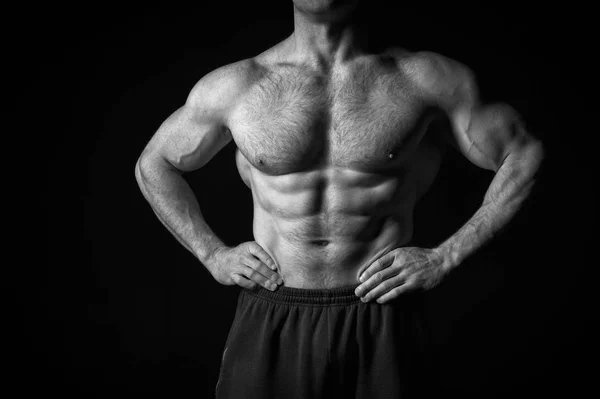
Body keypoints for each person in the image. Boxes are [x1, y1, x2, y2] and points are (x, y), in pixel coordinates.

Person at [134, 0, 545, 397]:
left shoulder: (423, 79)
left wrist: (445, 256)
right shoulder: (238, 86)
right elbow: (154, 163)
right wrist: (213, 255)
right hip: (273, 311)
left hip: (383, 314)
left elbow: (523, 153)